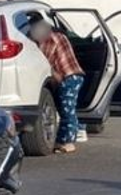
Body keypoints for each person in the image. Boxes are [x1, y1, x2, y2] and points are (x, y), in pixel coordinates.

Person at [29, 20, 85, 154]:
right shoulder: (58, 36)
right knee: (66, 109)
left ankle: (68, 142)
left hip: (68, 76)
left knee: (66, 111)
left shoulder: (49, 39)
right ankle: (75, 132)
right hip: (73, 75)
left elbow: (45, 61)